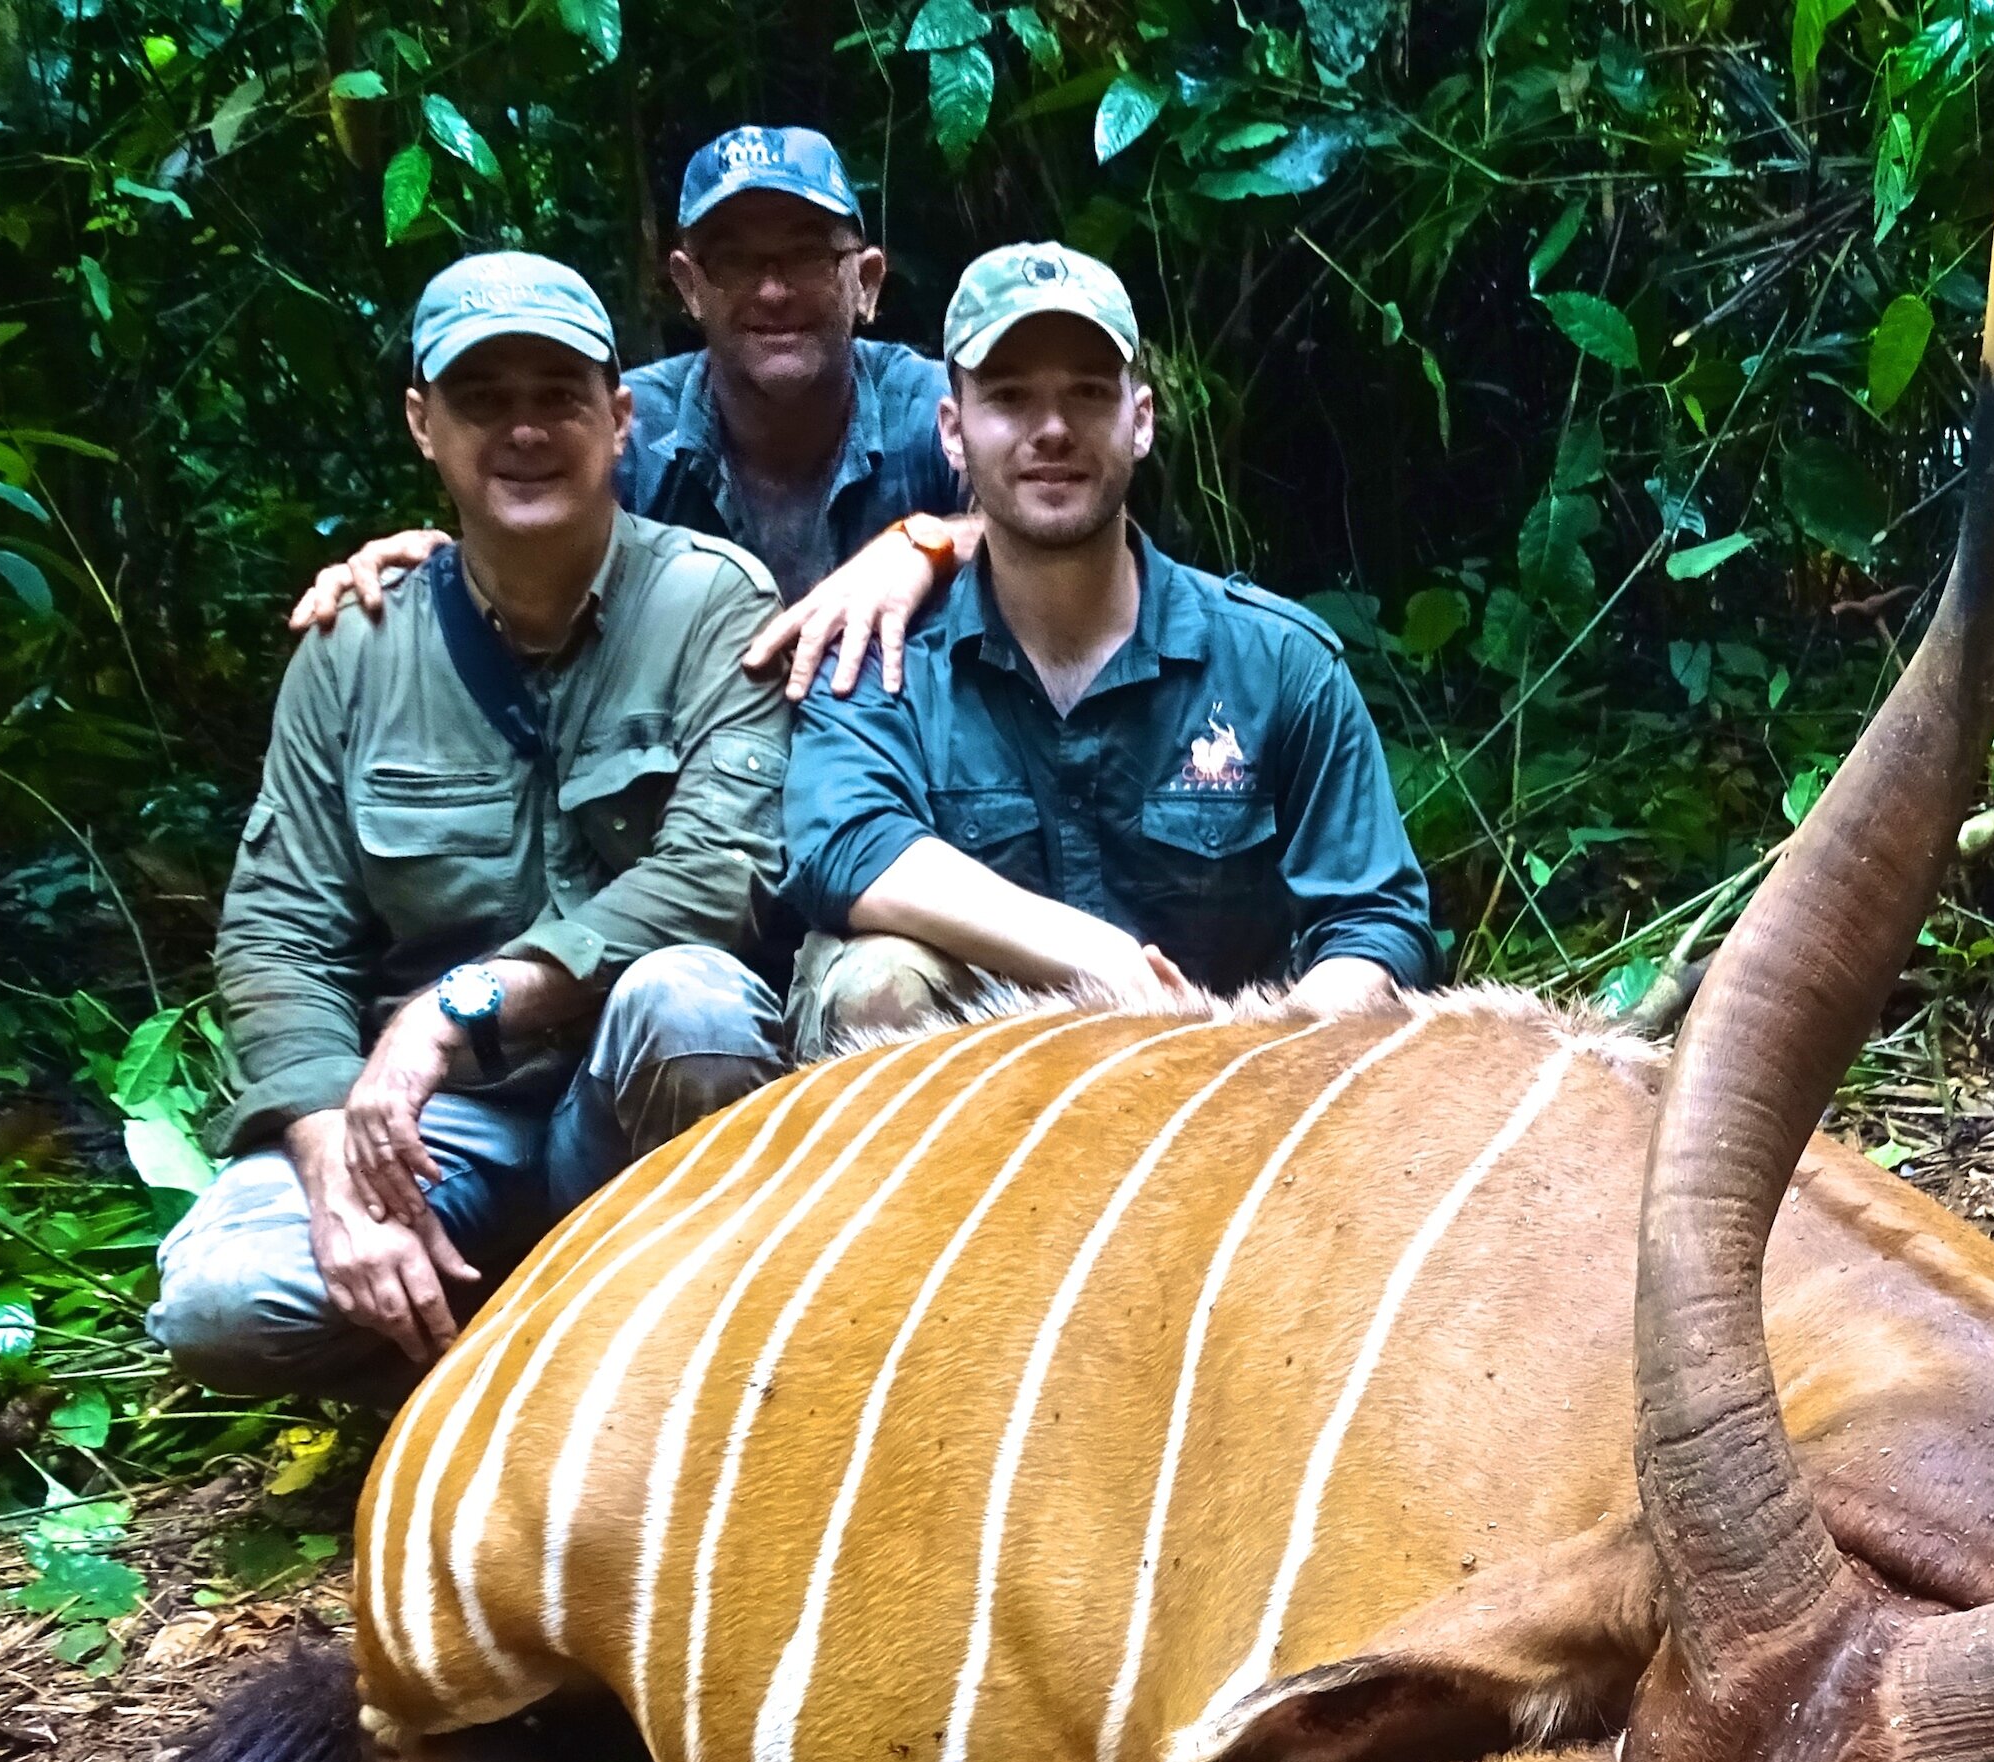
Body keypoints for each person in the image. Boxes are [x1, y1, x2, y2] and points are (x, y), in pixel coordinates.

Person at [150, 253, 793, 1406]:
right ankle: (475, 1338)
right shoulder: (353, 644)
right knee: (221, 1300)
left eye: (558, 397)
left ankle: (649, 1361)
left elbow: (719, 871)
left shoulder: (713, 602)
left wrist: (463, 1004)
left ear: (621, 416)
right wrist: (328, 1146)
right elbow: (277, 932)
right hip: (427, 1134)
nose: (526, 431)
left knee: (695, 1003)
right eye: (483, 402)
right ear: (422, 425)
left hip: (625, 1091)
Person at [778, 242, 1436, 1051]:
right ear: (953, 431)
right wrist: (1100, 960)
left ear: (1143, 420)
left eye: (1089, 394)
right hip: (970, 1124)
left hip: (1221, 1102)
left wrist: (1269, 1056)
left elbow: (1376, 918)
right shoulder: (884, 655)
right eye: (1011, 397)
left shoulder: (1278, 662)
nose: (1052, 430)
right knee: (878, 980)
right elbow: (846, 846)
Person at [287, 127, 976, 693]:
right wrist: (429, 570)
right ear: (688, 286)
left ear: (867, 281)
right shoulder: (625, 426)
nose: (771, 290)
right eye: (733, 262)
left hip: (902, 783)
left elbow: (1068, 527)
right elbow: (515, 553)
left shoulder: (935, 406)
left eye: (805, 257)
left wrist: (923, 544)